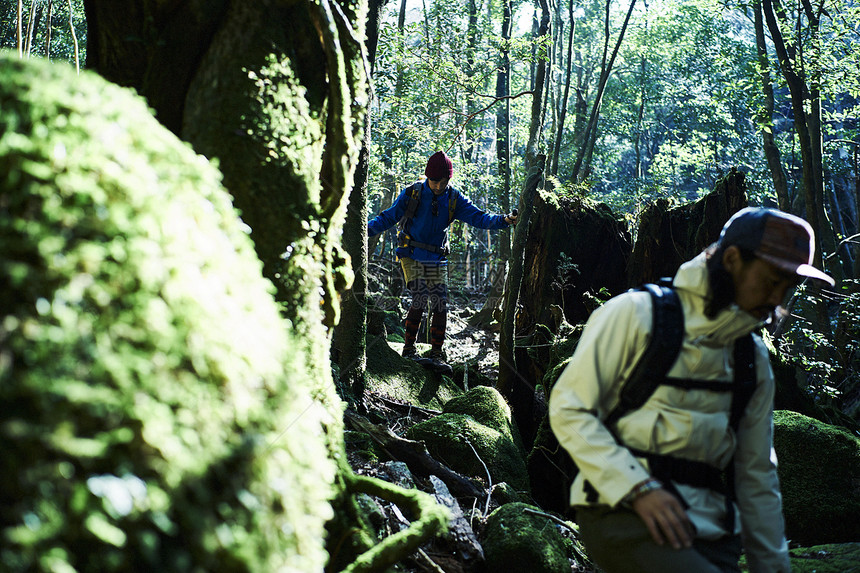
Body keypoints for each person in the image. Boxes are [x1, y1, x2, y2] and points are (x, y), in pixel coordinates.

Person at [548, 207, 834, 573]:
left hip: (714, 532)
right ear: (732, 259)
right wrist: (639, 489)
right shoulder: (635, 314)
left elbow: (757, 471)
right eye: (772, 279)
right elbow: (570, 409)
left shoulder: (752, 356)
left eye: (789, 286)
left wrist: (773, 565)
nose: (778, 298)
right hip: (622, 514)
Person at [367, 150, 517, 374]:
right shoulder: (412, 193)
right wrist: (364, 229)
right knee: (419, 297)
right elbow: (389, 216)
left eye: (442, 181)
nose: (437, 186)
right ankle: (409, 349)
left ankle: (436, 354)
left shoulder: (454, 199)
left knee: (439, 303)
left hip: (437, 258)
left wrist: (505, 220)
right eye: (433, 181)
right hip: (410, 253)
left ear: (449, 179)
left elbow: (480, 217)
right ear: (427, 177)